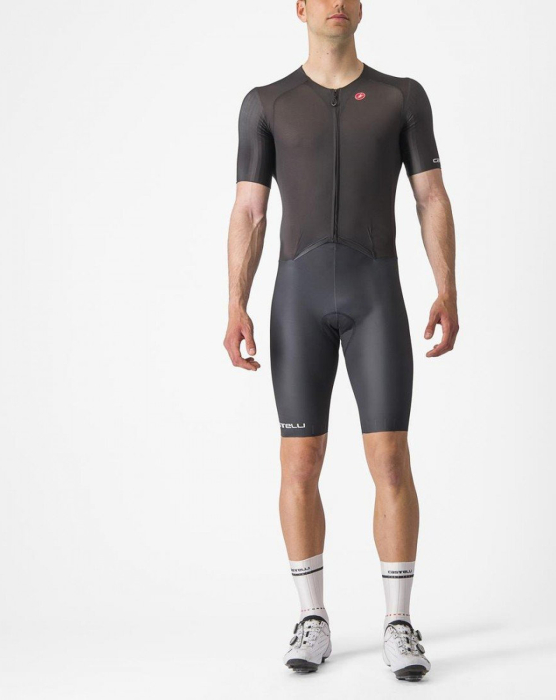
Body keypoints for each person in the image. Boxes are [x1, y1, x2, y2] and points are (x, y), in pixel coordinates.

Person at [224, 0, 458, 682]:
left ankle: (399, 623)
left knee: (390, 459)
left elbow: (431, 196)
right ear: (299, 7)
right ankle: (312, 617)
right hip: (296, 299)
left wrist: (447, 288)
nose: (337, 3)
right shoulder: (266, 103)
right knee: (299, 463)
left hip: (375, 295)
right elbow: (249, 208)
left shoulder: (400, 97)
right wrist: (235, 303)